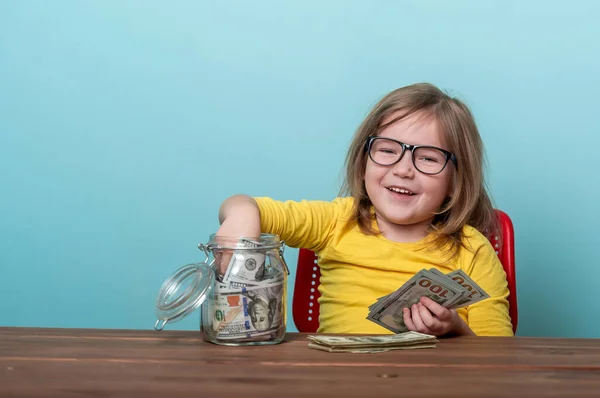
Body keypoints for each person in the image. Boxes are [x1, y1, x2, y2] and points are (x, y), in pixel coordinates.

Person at [217, 83, 513, 337]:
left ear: (455, 181)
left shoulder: (473, 251)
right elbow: (245, 205)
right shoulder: (335, 221)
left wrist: (456, 330)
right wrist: (242, 216)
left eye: (428, 158)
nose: (403, 169)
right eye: (387, 150)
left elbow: (498, 357)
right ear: (363, 163)